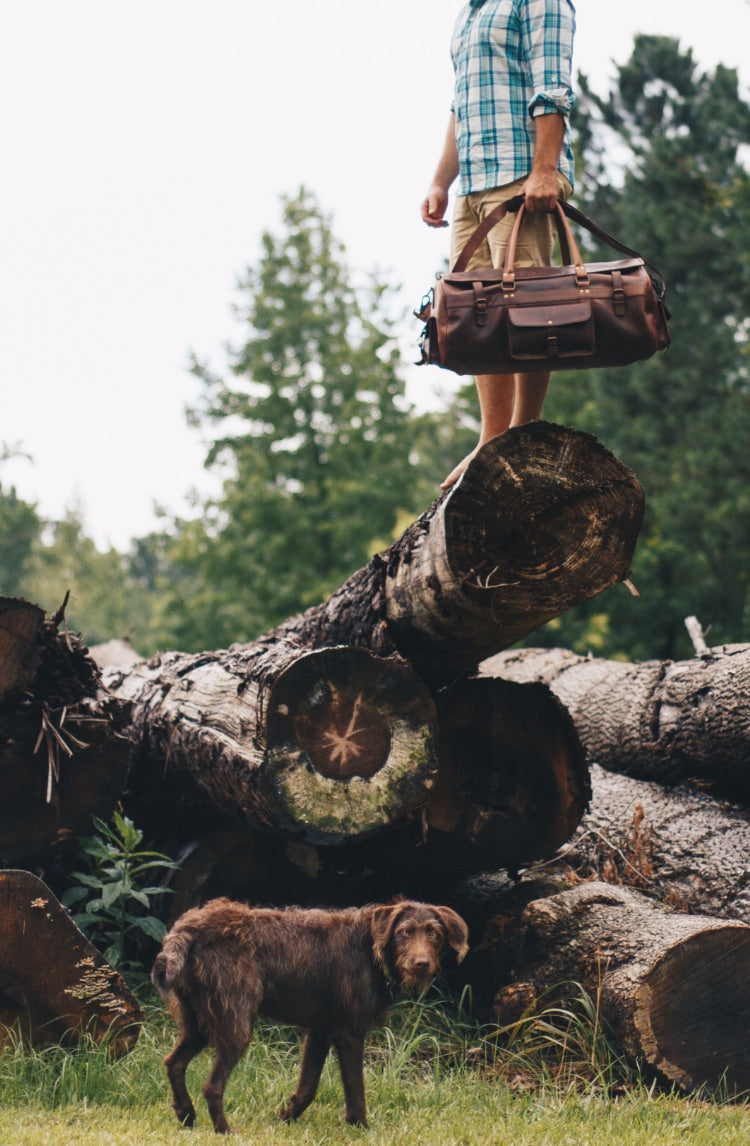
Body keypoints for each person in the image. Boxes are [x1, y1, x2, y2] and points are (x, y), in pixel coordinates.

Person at [421, 0, 577, 488]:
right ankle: (492, 436)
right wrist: (441, 181)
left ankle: (524, 428)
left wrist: (546, 169)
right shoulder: (468, 13)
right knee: (478, 314)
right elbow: (459, 107)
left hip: (520, 176)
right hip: (473, 185)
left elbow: (552, 88)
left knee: (532, 305)